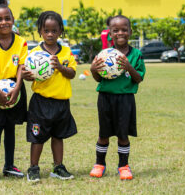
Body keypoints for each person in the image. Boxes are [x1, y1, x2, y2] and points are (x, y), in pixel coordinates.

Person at [22, 11, 77, 182]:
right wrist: (27, 75)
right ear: (40, 31)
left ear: (60, 31)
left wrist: (60, 67)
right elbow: (25, 73)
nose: (50, 34)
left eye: (54, 30)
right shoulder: (35, 52)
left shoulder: (66, 52)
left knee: (58, 136)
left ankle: (58, 167)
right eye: (46, 30)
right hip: (41, 102)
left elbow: (72, 73)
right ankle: (33, 168)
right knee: (37, 137)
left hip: (61, 101)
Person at [90, 15, 146, 180]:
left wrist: (128, 66)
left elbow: (139, 78)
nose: (120, 33)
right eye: (116, 30)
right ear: (110, 33)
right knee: (103, 134)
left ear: (130, 31)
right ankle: (99, 164)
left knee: (123, 135)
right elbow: (99, 78)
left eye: (124, 29)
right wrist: (93, 69)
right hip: (105, 98)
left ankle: (123, 166)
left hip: (125, 99)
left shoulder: (136, 54)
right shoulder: (104, 54)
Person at [0, 4, 27, 178]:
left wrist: (17, 88)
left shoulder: (21, 42)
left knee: (10, 126)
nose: (4, 22)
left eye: (7, 18)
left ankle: (9, 165)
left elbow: (21, 66)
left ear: (13, 20)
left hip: (14, 86)